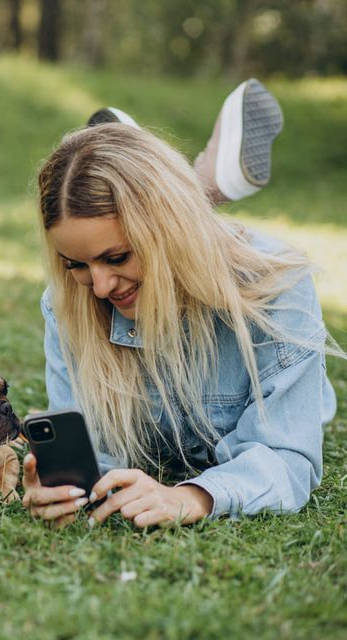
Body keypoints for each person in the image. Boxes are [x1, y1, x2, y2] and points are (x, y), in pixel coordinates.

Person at [21, 79, 341, 527]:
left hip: (213, 262)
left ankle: (177, 171)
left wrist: (192, 497)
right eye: (75, 263)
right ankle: (200, 176)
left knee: (189, 234)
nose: (98, 287)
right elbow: (94, 454)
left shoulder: (276, 287)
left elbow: (288, 456)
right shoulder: (68, 301)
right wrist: (67, 492)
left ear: (165, 233)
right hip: (178, 226)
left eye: (116, 257)